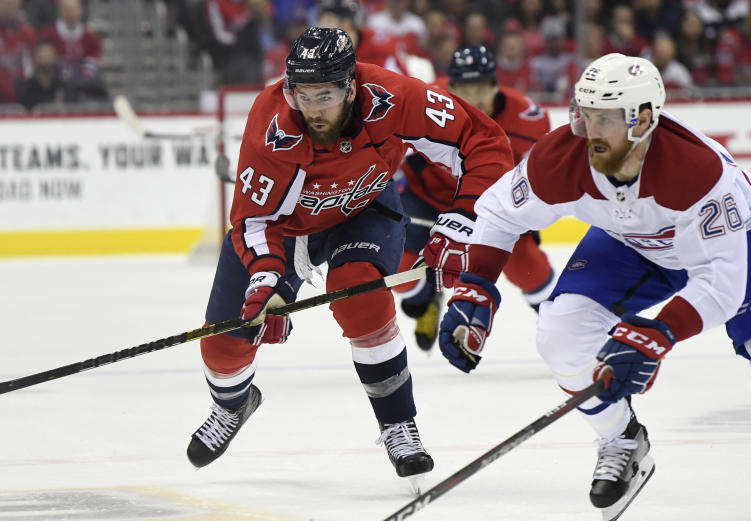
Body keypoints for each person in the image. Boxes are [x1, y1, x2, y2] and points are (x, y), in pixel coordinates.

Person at [424, 53, 751, 521]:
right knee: (560, 331)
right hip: (631, 242)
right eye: (583, 113)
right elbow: (497, 213)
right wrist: (475, 290)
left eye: (604, 118)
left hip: (735, 245)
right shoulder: (560, 157)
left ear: (645, 119)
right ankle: (621, 441)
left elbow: (720, 284)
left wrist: (657, 333)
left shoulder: (699, 173)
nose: (587, 129)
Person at [187, 27, 513, 491]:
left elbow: (483, 142)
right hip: (284, 229)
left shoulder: (395, 96)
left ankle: (398, 424)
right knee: (222, 345)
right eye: (303, 94)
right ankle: (232, 403)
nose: (314, 109)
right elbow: (254, 221)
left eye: (325, 95)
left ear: (351, 87)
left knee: (360, 300)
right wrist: (265, 284)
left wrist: (459, 223)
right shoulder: (272, 124)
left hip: (362, 211)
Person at [394, 44, 557, 351]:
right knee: (399, 272)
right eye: (464, 88)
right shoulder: (427, 104)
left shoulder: (528, 118)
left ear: (496, 84)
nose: (475, 97)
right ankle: (425, 299)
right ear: (451, 88)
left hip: (497, 206)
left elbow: (539, 177)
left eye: (481, 87)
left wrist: (521, 212)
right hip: (427, 198)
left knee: (526, 267)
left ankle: (561, 320)